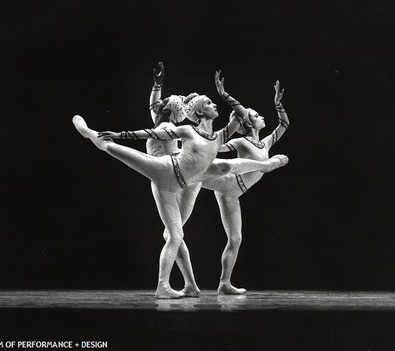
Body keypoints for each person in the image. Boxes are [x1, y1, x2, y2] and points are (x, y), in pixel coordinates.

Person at [72, 70, 289, 299]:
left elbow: (238, 116)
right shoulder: (175, 128)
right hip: (166, 171)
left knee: (176, 234)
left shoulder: (214, 134)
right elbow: (154, 118)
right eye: (208, 103)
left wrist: (222, 96)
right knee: (112, 148)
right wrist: (119, 134)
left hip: (185, 182)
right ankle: (90, 133)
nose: (160, 107)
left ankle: (188, 286)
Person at [202, 80, 290, 295]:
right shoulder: (242, 142)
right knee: (194, 175)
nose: (261, 117)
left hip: (233, 195)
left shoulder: (266, 143)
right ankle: (175, 161)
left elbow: (284, 125)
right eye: (257, 116)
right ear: (249, 123)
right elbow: (219, 148)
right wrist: (225, 95)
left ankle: (224, 283)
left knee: (236, 239)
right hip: (228, 182)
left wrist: (278, 104)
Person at [147, 62, 201, 297]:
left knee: (174, 234)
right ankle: (190, 285)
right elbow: (153, 103)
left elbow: (160, 107)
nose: (158, 102)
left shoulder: (169, 126)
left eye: (163, 101)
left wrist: (189, 102)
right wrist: (158, 83)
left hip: (177, 184)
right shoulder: (161, 123)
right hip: (173, 182)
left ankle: (163, 286)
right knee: (173, 234)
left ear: (168, 110)